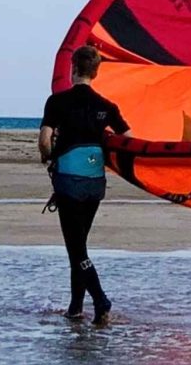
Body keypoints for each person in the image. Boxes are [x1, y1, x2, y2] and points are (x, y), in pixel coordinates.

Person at [40, 45, 129, 324]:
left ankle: (100, 299)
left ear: (74, 68)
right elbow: (128, 140)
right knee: (79, 245)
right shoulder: (107, 106)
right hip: (95, 183)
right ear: (96, 72)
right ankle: (75, 308)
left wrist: (48, 156)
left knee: (76, 249)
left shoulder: (57, 102)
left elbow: (44, 140)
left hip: (69, 182)